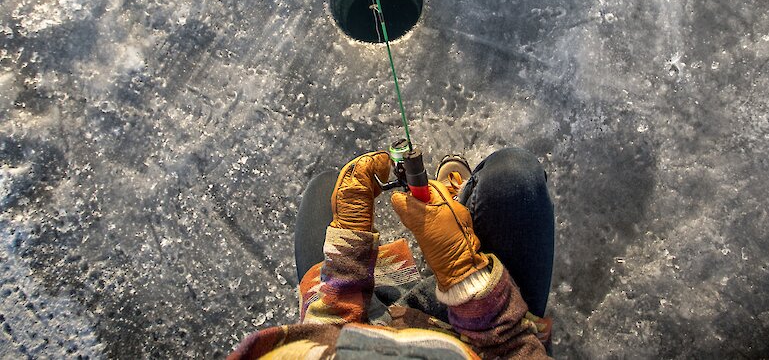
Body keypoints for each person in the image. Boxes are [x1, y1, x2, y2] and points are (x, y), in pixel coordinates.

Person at [229, 147, 555, 359]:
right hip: (476, 340)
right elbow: (516, 350)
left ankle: (456, 213)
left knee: (323, 189)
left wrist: (347, 257)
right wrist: (466, 276)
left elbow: (320, 339)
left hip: (362, 324)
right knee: (515, 177)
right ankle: (462, 218)